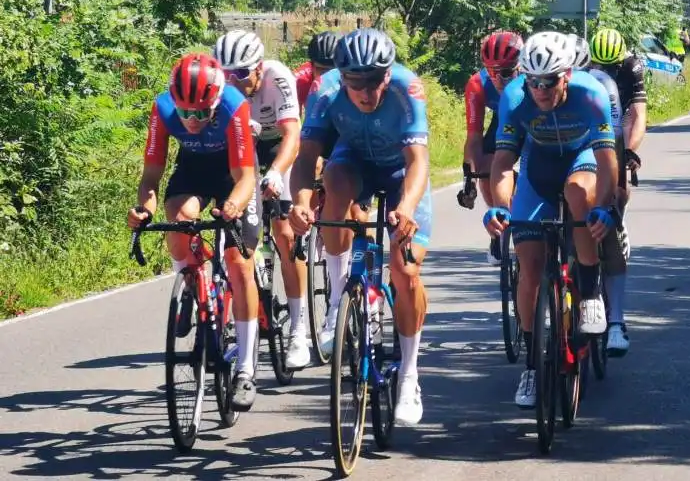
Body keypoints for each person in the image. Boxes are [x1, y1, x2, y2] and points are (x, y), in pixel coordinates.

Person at [289, 27, 431, 426]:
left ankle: (409, 377)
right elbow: (306, 159)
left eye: (375, 81)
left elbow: (418, 161)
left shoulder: (408, 88)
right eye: (356, 82)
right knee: (333, 183)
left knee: (405, 273)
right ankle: (338, 301)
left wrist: (406, 207)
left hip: (400, 171)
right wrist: (301, 200)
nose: (366, 92)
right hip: (354, 162)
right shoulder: (325, 91)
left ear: (388, 74)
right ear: (342, 77)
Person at [484, 31, 618, 408]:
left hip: (580, 160)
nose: (540, 90)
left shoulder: (592, 94)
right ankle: (531, 365)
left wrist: (605, 207)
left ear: (567, 76)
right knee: (529, 266)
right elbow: (503, 163)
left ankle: (590, 293)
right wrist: (499, 206)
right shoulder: (514, 97)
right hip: (538, 170)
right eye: (533, 81)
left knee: (580, 196)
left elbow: (609, 163)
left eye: (549, 81)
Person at [127, 53, 262, 410]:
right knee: (179, 216)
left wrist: (232, 205)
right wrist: (144, 210)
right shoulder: (163, 108)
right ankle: (189, 280)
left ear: (216, 102)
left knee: (239, 261)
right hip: (193, 169)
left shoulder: (234, 105)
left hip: (233, 172)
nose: (191, 120)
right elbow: (152, 176)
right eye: (185, 111)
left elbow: (246, 177)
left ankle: (246, 369)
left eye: (201, 113)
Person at [213, 30, 308, 369]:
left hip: (277, 146)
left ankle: (299, 332)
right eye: (227, 75)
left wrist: (277, 173)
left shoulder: (278, 77)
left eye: (241, 73)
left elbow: (292, 136)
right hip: (242, 150)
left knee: (284, 236)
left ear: (259, 67)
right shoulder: (221, 88)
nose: (234, 82)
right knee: (235, 234)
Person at [587, 27, 646, 355]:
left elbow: (637, 116)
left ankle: (616, 228)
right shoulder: (584, 71)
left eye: (612, 66)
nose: (605, 72)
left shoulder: (631, 67)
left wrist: (628, 154)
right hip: (592, 125)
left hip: (618, 123)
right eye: (600, 65)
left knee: (616, 192)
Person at [461, 30, 524, 266]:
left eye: (506, 73)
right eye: (491, 72)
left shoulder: (532, 79)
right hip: (502, 124)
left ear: (521, 67)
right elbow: (474, 137)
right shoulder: (477, 84)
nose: (498, 79)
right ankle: (499, 224)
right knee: (485, 170)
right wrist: (469, 177)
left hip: (531, 123)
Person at [294, 31, 341, 113]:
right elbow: (294, 120)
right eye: (321, 70)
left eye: (332, 70)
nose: (327, 76)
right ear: (311, 66)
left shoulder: (352, 80)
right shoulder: (299, 81)